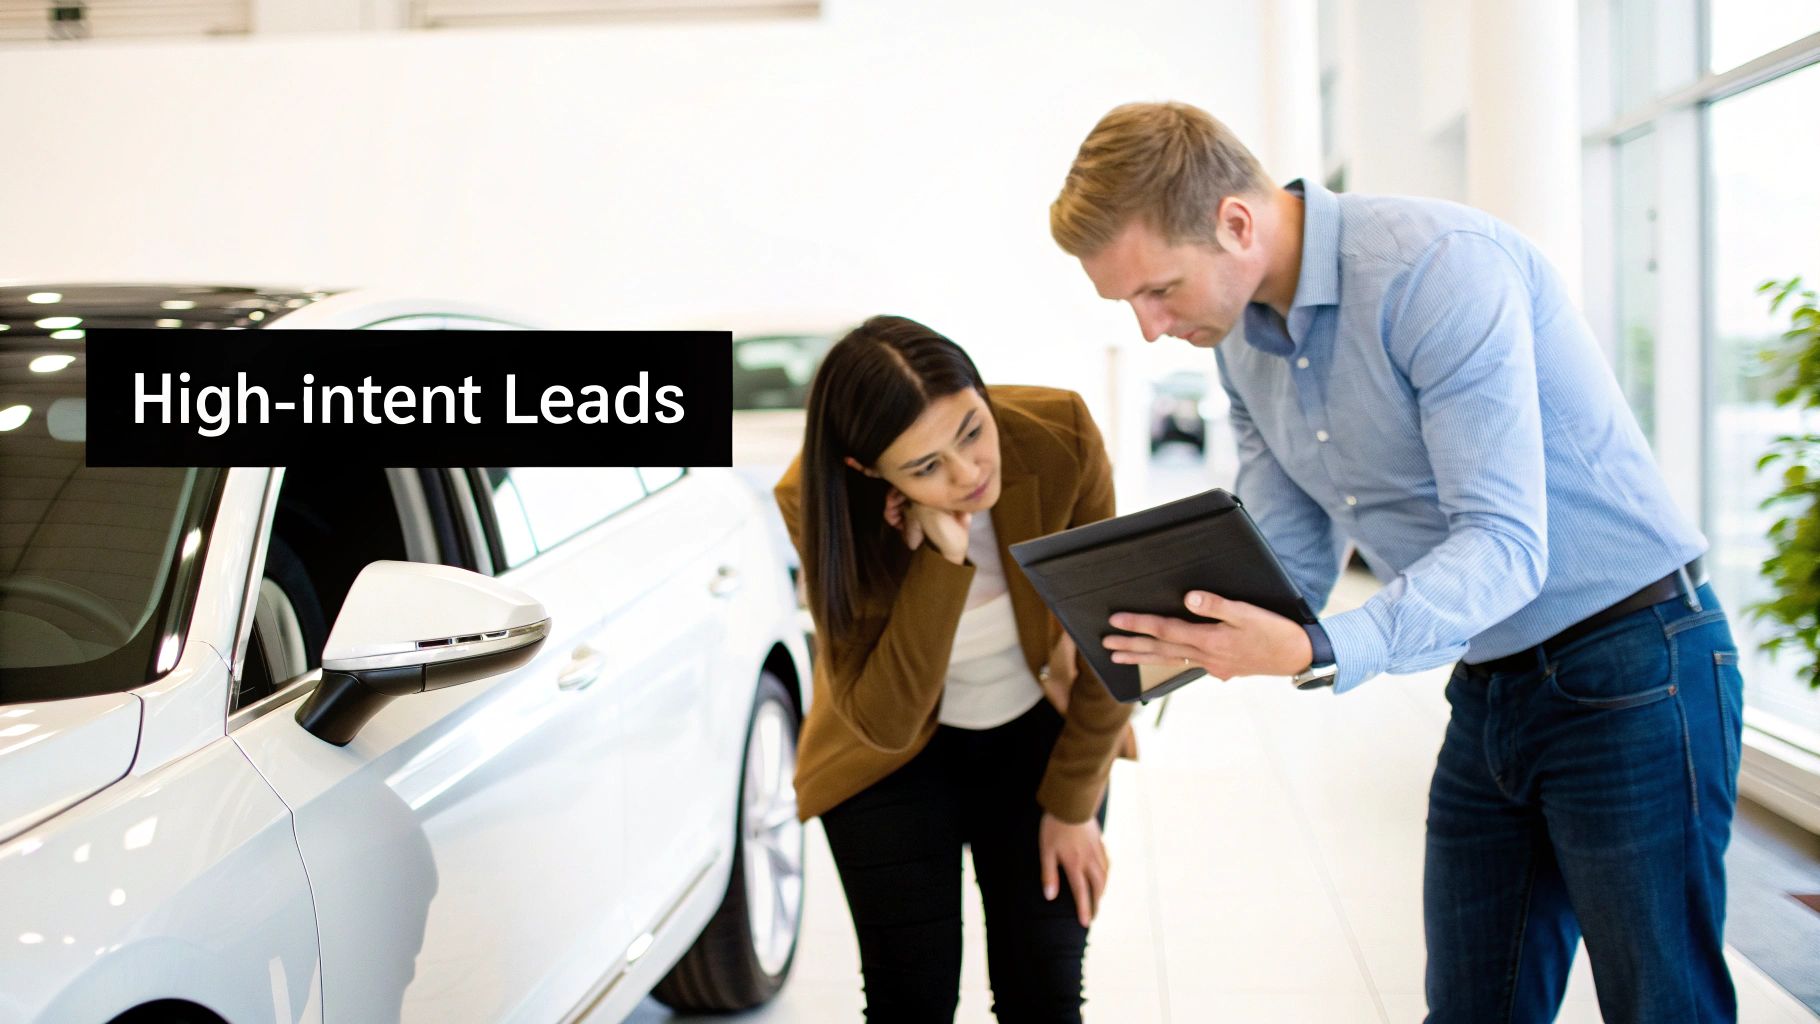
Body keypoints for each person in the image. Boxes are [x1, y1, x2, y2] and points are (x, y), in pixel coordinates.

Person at [1049, 101, 1744, 1024]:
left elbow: (1505, 545)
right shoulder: (1242, 349)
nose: (1147, 328)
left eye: (1159, 290)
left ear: (1236, 222)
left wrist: (1318, 650)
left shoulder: (1434, 271)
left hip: (1636, 665)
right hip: (1494, 681)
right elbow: (1287, 552)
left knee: (1664, 1008)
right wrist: (1149, 633)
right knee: (1469, 1008)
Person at [774, 314, 1136, 1023]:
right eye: (925, 467)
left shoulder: (1057, 431)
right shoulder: (820, 501)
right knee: (912, 1003)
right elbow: (885, 718)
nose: (969, 473)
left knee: (1046, 998)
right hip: (887, 761)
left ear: (980, 391)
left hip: (1039, 731)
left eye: (972, 430)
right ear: (866, 468)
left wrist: (1072, 805)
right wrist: (942, 560)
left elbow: (1115, 639)